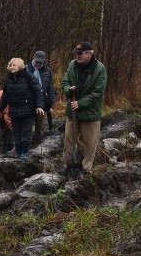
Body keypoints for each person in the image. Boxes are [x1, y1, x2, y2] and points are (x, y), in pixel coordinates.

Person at [62, 41, 108, 177]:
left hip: (90, 113)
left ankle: (86, 169)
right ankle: (67, 166)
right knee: (69, 139)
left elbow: (98, 92)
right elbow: (65, 81)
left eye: (80, 54)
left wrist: (81, 103)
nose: (77, 56)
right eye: (76, 53)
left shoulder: (100, 69)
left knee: (90, 143)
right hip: (73, 111)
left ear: (90, 54)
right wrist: (68, 89)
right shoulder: (72, 65)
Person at [0, 58, 45, 159]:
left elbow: (38, 92)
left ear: (20, 66)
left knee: (26, 131)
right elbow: (5, 96)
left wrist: (39, 106)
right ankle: (18, 152)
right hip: (14, 110)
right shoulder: (8, 79)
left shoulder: (28, 77)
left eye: (14, 65)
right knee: (16, 132)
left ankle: (24, 152)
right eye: (11, 65)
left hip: (28, 110)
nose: (12, 67)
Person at [28, 50, 57, 145]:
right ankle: (26, 147)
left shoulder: (47, 71)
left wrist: (51, 103)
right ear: (33, 58)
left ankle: (37, 146)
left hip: (43, 102)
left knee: (39, 126)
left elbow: (51, 88)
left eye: (41, 62)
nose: (38, 64)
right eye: (37, 62)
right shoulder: (26, 69)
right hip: (29, 102)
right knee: (27, 126)